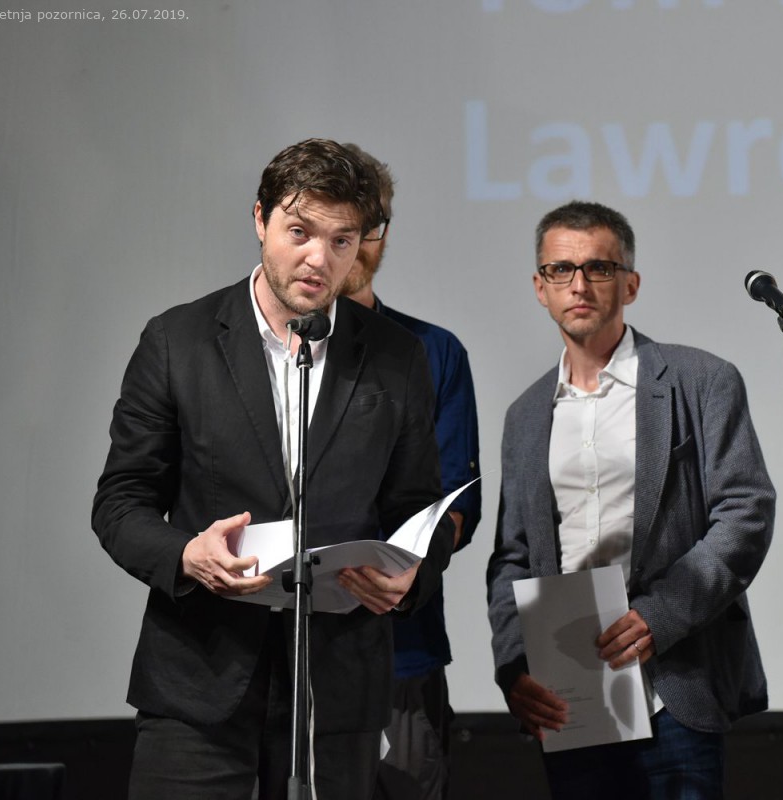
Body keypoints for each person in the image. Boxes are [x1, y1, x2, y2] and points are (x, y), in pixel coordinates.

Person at [91, 138, 456, 800]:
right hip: (199, 680)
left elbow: (417, 507)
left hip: (337, 688)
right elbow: (121, 503)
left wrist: (411, 577)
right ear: (260, 219)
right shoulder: (178, 341)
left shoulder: (397, 357)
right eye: (300, 232)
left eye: (342, 241)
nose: (320, 259)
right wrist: (187, 556)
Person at [486, 200, 776, 800]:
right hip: (572, 698)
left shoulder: (701, 380)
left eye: (598, 267)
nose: (579, 284)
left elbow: (745, 513)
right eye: (560, 270)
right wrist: (514, 667)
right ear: (540, 288)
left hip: (676, 688)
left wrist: (659, 616)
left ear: (631, 284)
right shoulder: (525, 415)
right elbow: (512, 556)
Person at [338, 143, 483, 800]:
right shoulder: (263, 349)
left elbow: (457, 503)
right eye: (331, 230)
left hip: (403, 650)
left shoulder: (433, 353)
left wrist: (411, 570)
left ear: (383, 232)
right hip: (281, 656)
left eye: (364, 230)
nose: (349, 247)